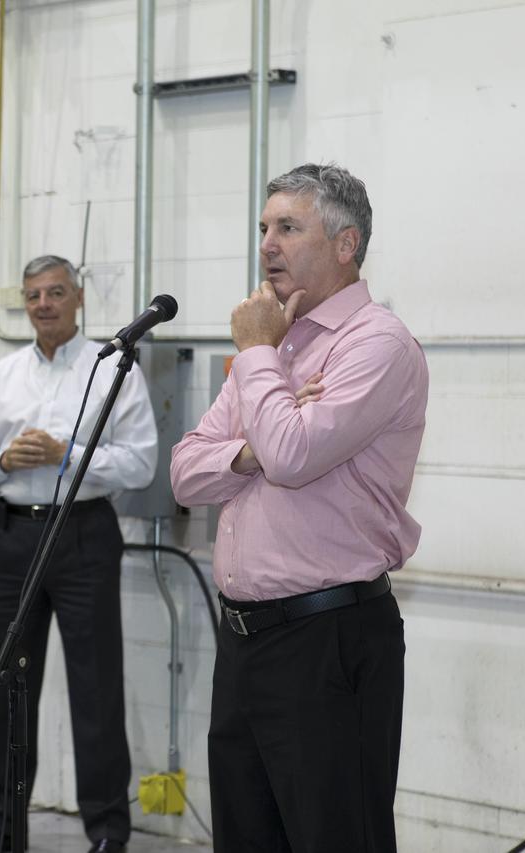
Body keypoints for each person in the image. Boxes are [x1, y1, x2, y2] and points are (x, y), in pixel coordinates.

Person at [170, 163, 428, 853]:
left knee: (335, 837)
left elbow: (291, 456)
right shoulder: (279, 345)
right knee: (248, 838)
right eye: (263, 228)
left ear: (346, 244)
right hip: (246, 644)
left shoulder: (376, 343)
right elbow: (185, 472)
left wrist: (257, 360)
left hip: (330, 638)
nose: (267, 245)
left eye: (288, 227)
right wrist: (251, 448)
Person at [0, 255, 158, 853]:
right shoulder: (0, 377)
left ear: (78, 299)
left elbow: (141, 463)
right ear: (25, 302)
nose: (44, 304)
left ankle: (107, 831)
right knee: (5, 685)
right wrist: (3, 462)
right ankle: (2, 825)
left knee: (96, 687)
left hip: (83, 534)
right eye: (34, 295)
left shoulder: (116, 368)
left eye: (56, 293)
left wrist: (64, 454)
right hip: (11, 535)